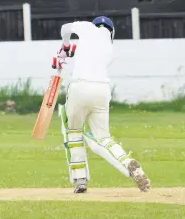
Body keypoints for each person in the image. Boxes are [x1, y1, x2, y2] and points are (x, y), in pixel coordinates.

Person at [54, 16, 151, 193]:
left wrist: (66, 47)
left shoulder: (87, 28)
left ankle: (80, 179)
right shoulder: (110, 49)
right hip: (102, 90)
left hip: (80, 86)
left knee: (73, 131)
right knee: (104, 137)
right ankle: (128, 163)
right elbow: (89, 55)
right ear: (111, 31)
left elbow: (65, 28)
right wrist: (70, 52)